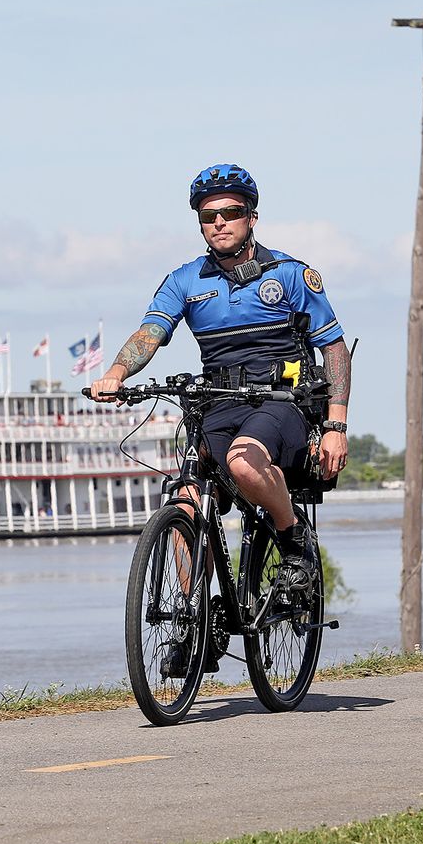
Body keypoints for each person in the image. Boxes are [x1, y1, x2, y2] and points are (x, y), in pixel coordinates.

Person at [90, 162, 351, 609]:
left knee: (244, 462)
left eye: (230, 212)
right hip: (217, 404)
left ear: (251, 216)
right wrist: (117, 373)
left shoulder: (288, 274)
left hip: (281, 403)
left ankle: (293, 539)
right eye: (208, 216)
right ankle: (194, 617)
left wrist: (335, 426)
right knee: (186, 502)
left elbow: (334, 349)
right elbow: (149, 333)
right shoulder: (185, 281)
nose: (219, 223)